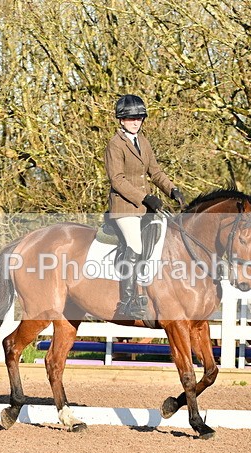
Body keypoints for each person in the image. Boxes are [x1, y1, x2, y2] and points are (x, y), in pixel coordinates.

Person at [104, 94, 186, 319]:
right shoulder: (115, 144)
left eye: (139, 118)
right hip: (124, 208)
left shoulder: (143, 141)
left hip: (144, 208)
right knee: (135, 244)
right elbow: (117, 180)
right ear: (121, 120)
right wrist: (145, 198)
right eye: (131, 118)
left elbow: (156, 172)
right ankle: (128, 302)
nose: (136, 121)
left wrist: (172, 190)